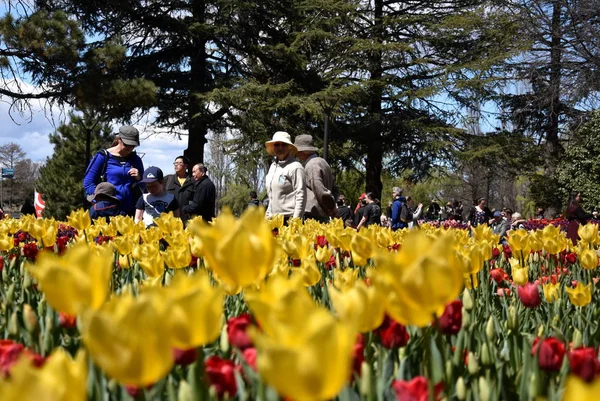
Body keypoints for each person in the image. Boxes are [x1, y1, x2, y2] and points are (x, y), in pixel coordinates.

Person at [83, 125, 144, 216]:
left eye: (133, 145)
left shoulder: (136, 160)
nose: (130, 148)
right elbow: (88, 183)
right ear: (119, 139)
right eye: (127, 144)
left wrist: (139, 178)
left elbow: (145, 186)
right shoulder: (103, 156)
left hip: (131, 211)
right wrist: (102, 199)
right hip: (107, 211)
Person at [293, 134, 336, 222]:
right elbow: (334, 188)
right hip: (322, 214)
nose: (297, 154)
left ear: (303, 151)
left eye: (298, 151)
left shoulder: (312, 165)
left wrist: (331, 208)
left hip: (314, 215)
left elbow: (319, 189)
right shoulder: (322, 162)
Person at [264, 131, 306, 221]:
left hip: (288, 219)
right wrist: (267, 216)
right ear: (273, 147)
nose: (280, 147)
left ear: (289, 147)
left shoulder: (295, 167)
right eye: (277, 144)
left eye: (283, 144)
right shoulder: (272, 166)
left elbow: (301, 195)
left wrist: (295, 221)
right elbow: (271, 197)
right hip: (272, 219)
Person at [164, 156, 195, 224]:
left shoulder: (192, 181)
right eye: (175, 163)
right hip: (170, 219)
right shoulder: (168, 179)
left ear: (185, 166)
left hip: (186, 219)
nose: (176, 165)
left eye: (179, 163)